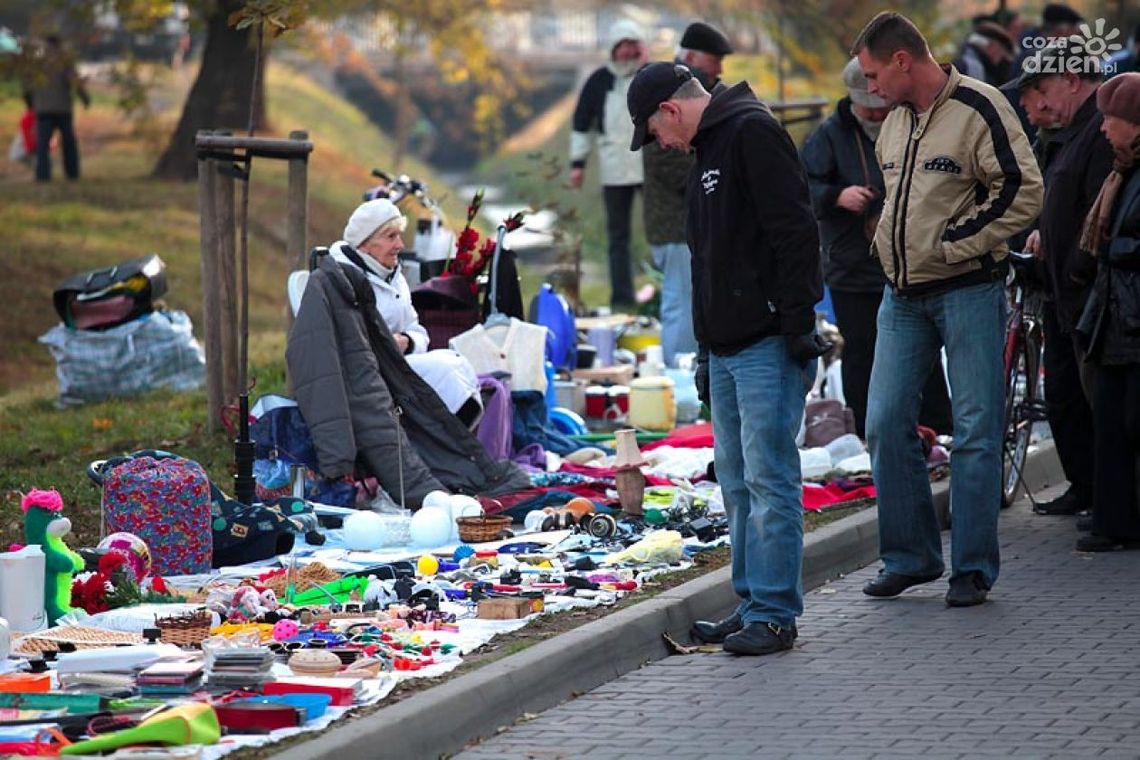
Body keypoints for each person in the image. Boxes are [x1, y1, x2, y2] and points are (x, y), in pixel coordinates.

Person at [627, 62, 828, 654]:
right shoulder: (710, 151)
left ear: (670, 109)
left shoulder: (751, 133)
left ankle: (775, 612)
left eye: (654, 131)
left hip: (767, 342)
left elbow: (795, 232)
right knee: (738, 483)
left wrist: (796, 325)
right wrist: (705, 347)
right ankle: (752, 602)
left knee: (769, 478)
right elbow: (709, 261)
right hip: (726, 345)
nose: (660, 144)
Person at [852, 13, 1042, 607]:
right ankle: (910, 558)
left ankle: (973, 568)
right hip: (902, 296)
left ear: (903, 60)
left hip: (968, 289)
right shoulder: (894, 123)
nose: (870, 87)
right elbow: (895, 202)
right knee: (883, 423)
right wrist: (888, 243)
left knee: (976, 431)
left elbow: (1022, 189)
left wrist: (954, 244)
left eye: (874, 73)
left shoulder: (980, 106)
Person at [801, 57, 954, 438]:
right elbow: (802, 189)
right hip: (852, 263)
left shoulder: (909, 121)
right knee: (862, 351)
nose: (875, 110)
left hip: (908, 260)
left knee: (923, 348)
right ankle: (867, 431)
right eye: (867, 104)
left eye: (879, 102)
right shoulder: (828, 136)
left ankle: (939, 426)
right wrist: (837, 195)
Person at [1004, 47, 1114, 518]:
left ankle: (1105, 498)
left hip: (1086, 290)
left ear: (1072, 79)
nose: (1034, 107)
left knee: (1090, 398)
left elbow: (1096, 214)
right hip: (1062, 289)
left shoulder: (1103, 130)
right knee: (1065, 394)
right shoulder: (1063, 134)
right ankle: (1085, 488)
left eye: (1040, 93)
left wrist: (1068, 262)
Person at [330, 198, 481, 426]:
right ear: (364, 245)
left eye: (399, 236)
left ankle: (458, 446)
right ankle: (450, 446)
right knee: (447, 371)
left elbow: (417, 330)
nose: (400, 245)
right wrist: (385, 346)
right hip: (369, 377)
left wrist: (407, 342)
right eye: (391, 237)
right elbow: (345, 344)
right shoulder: (343, 279)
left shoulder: (393, 276)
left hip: (397, 363)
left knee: (460, 364)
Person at [1073, 72, 1140, 552]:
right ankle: (1114, 523)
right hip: (1116, 317)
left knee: (1134, 421)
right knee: (1112, 420)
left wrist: (1117, 248)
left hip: (1133, 315)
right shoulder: (1122, 169)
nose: (1102, 128)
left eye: (1110, 119)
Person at [641, 21, 733, 366]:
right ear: (693, 56)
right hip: (675, 225)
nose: (720, 69)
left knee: (681, 297)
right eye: (715, 59)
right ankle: (678, 372)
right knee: (682, 298)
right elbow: (671, 165)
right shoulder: (665, 92)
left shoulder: (672, 87)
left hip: (676, 223)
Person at [569, 19, 648, 311]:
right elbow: (581, 124)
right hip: (614, 169)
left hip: (649, 167)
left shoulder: (649, 75)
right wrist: (578, 163)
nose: (627, 52)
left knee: (661, 235)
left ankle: (667, 293)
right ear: (614, 49)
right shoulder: (598, 81)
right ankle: (622, 299)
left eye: (632, 45)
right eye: (622, 46)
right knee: (618, 238)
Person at [26, 35, 88, 182]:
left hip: (42, 109)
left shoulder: (37, 61)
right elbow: (74, 80)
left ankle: (42, 175)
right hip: (63, 109)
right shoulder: (63, 59)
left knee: (42, 145)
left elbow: (27, 85)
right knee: (68, 143)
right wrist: (84, 98)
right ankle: (72, 173)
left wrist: (30, 104)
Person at [953, 20, 1016, 88]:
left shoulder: (961, 64)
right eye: (1001, 50)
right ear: (992, 46)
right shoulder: (972, 69)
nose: (1002, 56)